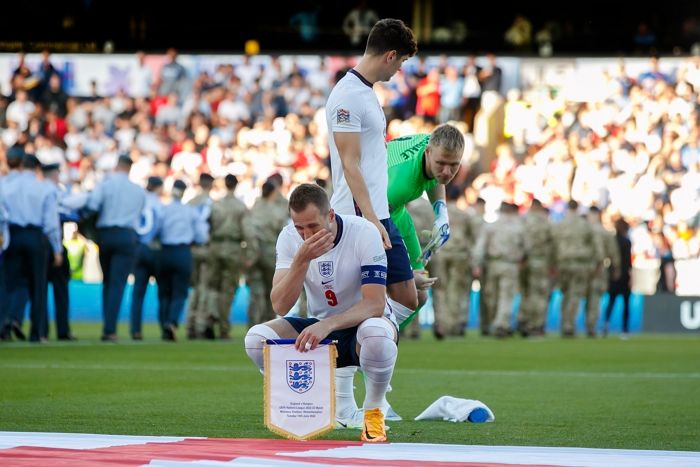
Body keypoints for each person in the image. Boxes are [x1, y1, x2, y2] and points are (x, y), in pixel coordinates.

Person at [244, 183, 397, 443]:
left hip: (364, 322)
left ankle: (373, 413)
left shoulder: (364, 232)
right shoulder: (289, 238)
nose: (306, 235)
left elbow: (374, 304)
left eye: (313, 226)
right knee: (256, 340)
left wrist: (327, 325)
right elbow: (280, 305)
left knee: (376, 336)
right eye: (299, 227)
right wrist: (301, 260)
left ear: (330, 216)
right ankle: (307, 404)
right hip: (321, 324)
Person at [325, 18, 416, 429]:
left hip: (377, 211)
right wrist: (368, 219)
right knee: (357, 306)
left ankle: (368, 376)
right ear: (389, 55)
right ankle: (350, 402)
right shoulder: (347, 95)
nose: (399, 72)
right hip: (357, 216)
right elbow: (349, 164)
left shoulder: (364, 93)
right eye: (399, 64)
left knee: (408, 297)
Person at [85, 155, 146, 342]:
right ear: (129, 168)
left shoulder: (106, 185)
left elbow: (92, 206)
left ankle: (108, 325)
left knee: (108, 281)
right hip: (127, 235)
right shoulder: (138, 191)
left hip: (106, 235)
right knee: (117, 284)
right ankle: (109, 328)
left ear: (117, 165)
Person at [157, 180, 209, 341]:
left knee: (164, 292)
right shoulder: (190, 211)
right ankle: (172, 322)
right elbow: (202, 235)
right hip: (182, 252)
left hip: (164, 251)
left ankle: (164, 323)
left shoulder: (163, 210)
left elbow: (155, 229)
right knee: (179, 292)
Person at [130, 176, 164, 340]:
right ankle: (165, 328)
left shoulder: (138, 200)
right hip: (154, 249)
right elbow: (160, 227)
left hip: (139, 247)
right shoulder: (158, 204)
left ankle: (135, 329)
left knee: (138, 292)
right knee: (162, 292)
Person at [604, 218, 633, 338]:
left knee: (611, 301)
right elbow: (628, 262)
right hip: (624, 275)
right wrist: (631, 277)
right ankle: (625, 329)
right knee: (626, 303)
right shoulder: (627, 242)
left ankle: (605, 324)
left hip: (613, 275)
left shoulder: (612, 241)